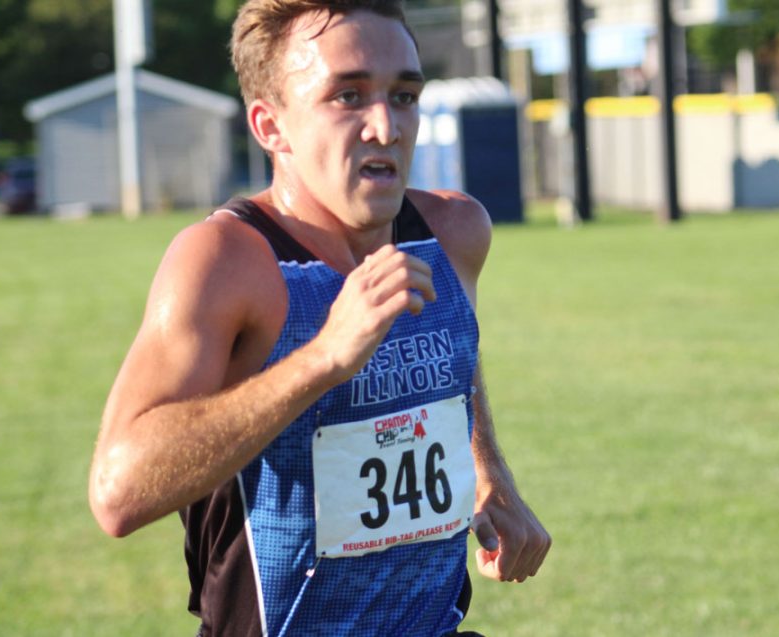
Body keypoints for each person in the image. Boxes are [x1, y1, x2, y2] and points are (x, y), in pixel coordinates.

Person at [88, 0, 551, 634]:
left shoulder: (453, 231)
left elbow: (453, 356)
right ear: (270, 125)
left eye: (405, 95)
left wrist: (486, 469)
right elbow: (119, 492)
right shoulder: (225, 261)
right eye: (348, 96)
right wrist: (324, 358)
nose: (386, 126)